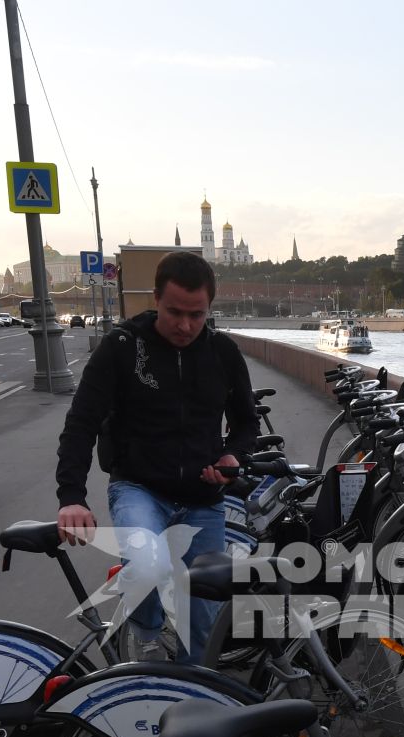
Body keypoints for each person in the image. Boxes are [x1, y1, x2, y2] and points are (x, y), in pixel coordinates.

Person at [56, 252, 257, 664]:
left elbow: (246, 424)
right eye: (174, 312)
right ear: (155, 298)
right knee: (147, 565)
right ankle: (145, 634)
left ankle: (194, 706)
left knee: (203, 627)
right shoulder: (122, 347)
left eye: (197, 315)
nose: (185, 325)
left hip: (202, 499)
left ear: (210, 307)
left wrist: (233, 457)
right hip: (139, 486)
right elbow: (81, 421)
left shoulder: (222, 352)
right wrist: (71, 495)